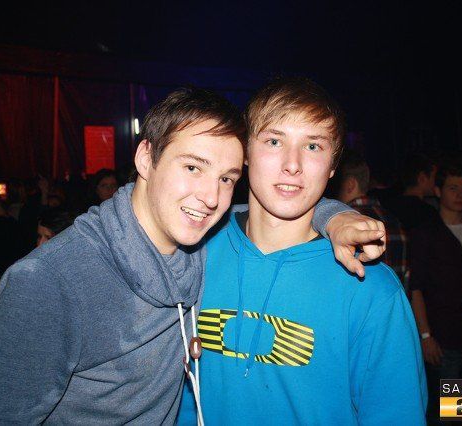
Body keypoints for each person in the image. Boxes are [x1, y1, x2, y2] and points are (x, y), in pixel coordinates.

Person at [0, 87, 386, 424]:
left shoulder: (203, 244)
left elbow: (274, 210)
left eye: (226, 178)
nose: (210, 197)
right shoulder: (50, 281)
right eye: (192, 167)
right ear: (146, 157)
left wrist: (335, 216)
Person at [178, 77, 426, 425]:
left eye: (312, 146)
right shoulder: (192, 254)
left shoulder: (370, 289)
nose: (292, 164)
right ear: (245, 152)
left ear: (333, 166)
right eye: (274, 141)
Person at [408, 158, 462, 424]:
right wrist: (425, 335)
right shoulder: (425, 234)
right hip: (443, 340)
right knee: (446, 415)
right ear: (438, 191)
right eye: (453, 188)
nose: (460, 195)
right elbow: (416, 287)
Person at [336, 149, 409, 290]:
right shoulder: (395, 222)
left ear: (350, 184)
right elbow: (405, 281)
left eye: (335, 183)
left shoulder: (343, 227)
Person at [383, 153, 441, 231]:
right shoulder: (427, 212)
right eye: (434, 177)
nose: (437, 181)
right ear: (422, 178)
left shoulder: (387, 206)